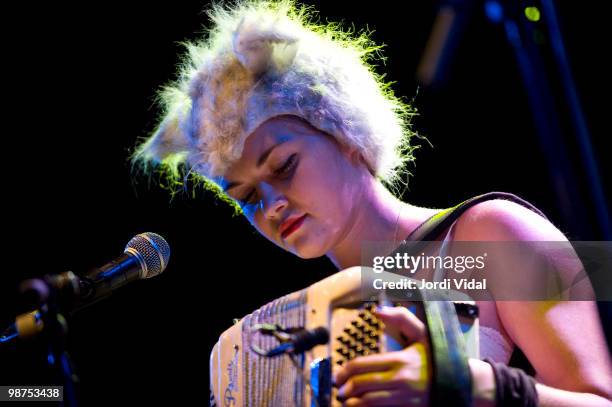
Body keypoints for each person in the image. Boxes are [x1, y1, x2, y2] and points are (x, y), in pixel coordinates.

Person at [132, 0, 612, 405]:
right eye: (248, 197)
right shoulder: (308, 325)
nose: (272, 204)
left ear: (343, 132)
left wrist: (472, 384)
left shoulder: (493, 233)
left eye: (283, 166)